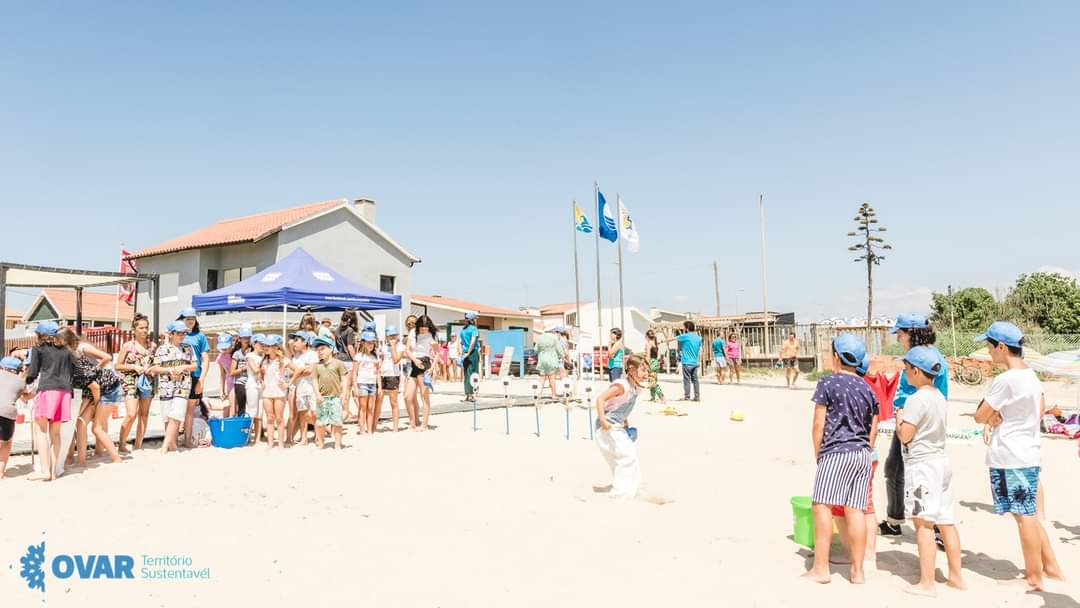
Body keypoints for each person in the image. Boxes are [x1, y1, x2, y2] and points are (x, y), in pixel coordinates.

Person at [973, 322, 1064, 591]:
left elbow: (980, 415)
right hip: (1028, 451)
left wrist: (994, 416)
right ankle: (1051, 567)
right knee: (1029, 515)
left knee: (1023, 516)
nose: (988, 351)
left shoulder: (1006, 379)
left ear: (1001, 347)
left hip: (1011, 454)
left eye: (989, 346)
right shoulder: (1031, 375)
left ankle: (1034, 576)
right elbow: (1040, 408)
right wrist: (1004, 415)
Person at [802, 334, 877, 585]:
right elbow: (872, 429)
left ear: (835, 357)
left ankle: (821, 568)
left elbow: (818, 424)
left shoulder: (828, 383)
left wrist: (818, 453)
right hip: (863, 453)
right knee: (855, 509)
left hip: (836, 451)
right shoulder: (868, 389)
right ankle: (858, 571)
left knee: (821, 504)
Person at [896, 346, 965, 596]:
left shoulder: (916, 399)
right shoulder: (938, 396)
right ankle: (956, 576)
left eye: (906, 370)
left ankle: (927, 582)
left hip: (922, 466)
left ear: (916, 371)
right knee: (946, 520)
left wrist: (898, 419)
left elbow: (905, 436)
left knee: (923, 523)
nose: (905, 374)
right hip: (941, 462)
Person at [880, 314, 949, 538]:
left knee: (917, 472)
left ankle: (934, 528)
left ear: (912, 333)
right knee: (895, 468)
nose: (899, 338)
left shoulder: (923, 359)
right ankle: (895, 518)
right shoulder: (928, 356)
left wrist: (902, 414)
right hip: (915, 418)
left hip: (913, 420)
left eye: (900, 334)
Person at [63, 329, 122, 466]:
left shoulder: (82, 348)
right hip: (92, 388)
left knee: (97, 428)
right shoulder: (71, 355)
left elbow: (107, 357)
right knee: (80, 422)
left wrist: (95, 369)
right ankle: (82, 460)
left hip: (107, 387)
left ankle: (116, 458)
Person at [25, 321, 76, 481]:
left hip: (48, 390)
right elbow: (76, 370)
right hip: (65, 392)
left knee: (41, 431)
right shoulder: (67, 352)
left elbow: (32, 373)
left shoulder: (38, 349)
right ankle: (54, 472)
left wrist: (26, 384)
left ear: (40, 335)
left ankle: (44, 471)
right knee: (55, 433)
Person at [594, 354, 648, 499]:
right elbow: (600, 399)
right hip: (607, 426)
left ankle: (628, 488)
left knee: (627, 457)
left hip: (618, 426)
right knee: (627, 456)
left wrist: (626, 426)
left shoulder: (635, 389)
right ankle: (621, 493)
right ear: (631, 371)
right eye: (642, 370)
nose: (646, 374)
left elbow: (622, 409)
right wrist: (603, 421)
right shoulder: (621, 385)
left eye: (646, 371)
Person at [149, 321, 197, 455]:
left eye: (184, 333)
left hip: (183, 386)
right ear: (171, 334)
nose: (182, 335)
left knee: (176, 415)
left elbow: (194, 366)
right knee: (167, 417)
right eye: (179, 333)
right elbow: (154, 368)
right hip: (166, 386)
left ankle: (164, 446)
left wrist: (184, 367)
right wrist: (170, 371)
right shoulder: (161, 349)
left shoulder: (188, 348)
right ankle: (173, 445)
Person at [116, 313, 156, 451]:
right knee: (131, 414)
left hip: (147, 382)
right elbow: (118, 366)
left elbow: (156, 364)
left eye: (146, 327)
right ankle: (122, 443)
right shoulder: (127, 346)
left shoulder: (152, 346)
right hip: (130, 381)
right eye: (141, 328)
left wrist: (152, 369)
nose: (145, 330)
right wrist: (133, 367)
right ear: (134, 329)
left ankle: (138, 445)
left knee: (144, 415)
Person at [179, 307, 210, 449]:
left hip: (195, 376)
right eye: (187, 318)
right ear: (182, 319)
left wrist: (202, 380)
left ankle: (187, 440)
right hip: (179, 376)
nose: (190, 321)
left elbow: (205, 360)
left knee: (190, 410)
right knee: (177, 409)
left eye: (192, 318)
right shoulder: (178, 334)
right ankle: (174, 438)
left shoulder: (200, 336)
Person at [312, 336, 347, 449]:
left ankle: (337, 443)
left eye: (322, 349)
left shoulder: (338, 363)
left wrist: (344, 394)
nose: (319, 352)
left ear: (330, 349)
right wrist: (317, 394)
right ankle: (321, 443)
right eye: (318, 350)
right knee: (320, 422)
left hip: (335, 397)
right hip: (322, 398)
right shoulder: (317, 366)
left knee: (337, 422)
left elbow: (344, 379)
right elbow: (314, 380)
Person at [406, 315, 438, 431]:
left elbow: (437, 353)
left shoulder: (432, 335)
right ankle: (413, 422)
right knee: (408, 396)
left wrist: (432, 368)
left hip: (425, 363)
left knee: (424, 396)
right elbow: (407, 350)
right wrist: (414, 360)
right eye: (422, 327)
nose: (424, 329)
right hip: (414, 363)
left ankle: (424, 425)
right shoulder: (413, 332)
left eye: (426, 327)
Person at [287, 332, 319, 445]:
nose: (294, 343)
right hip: (299, 387)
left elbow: (311, 370)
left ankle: (318, 435)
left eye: (297, 340)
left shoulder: (312, 354)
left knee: (315, 412)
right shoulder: (295, 356)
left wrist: (297, 372)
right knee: (302, 413)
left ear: (305, 342)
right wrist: (299, 371)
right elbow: (291, 373)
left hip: (311, 387)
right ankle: (304, 438)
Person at [0, 356, 29, 479]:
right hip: (7, 412)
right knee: (6, 442)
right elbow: (25, 397)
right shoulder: (20, 382)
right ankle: (0, 472)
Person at [260, 335, 288, 448]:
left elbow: (297, 370)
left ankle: (281, 443)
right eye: (265, 345)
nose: (266, 347)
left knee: (279, 418)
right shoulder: (264, 360)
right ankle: (270, 443)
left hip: (279, 392)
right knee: (270, 418)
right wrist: (261, 380)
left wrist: (288, 383)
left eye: (269, 345)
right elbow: (261, 373)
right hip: (267, 392)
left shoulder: (283, 360)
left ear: (276, 347)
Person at [351, 331, 380, 435]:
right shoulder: (358, 356)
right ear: (363, 343)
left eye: (372, 343)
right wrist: (355, 387)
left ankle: (370, 430)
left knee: (371, 408)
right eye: (368, 343)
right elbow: (354, 373)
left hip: (372, 384)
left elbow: (377, 372)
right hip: (362, 383)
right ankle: (362, 430)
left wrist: (379, 386)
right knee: (363, 407)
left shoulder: (374, 357)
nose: (371, 345)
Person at [378, 326, 407, 431]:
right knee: (379, 400)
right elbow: (381, 359)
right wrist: (378, 369)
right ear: (387, 336)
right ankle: (374, 425)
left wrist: (393, 346)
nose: (392, 338)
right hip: (383, 375)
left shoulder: (400, 346)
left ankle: (395, 428)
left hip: (393, 375)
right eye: (390, 336)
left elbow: (395, 360)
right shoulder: (384, 346)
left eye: (394, 335)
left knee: (393, 401)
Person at [245, 335, 267, 444]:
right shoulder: (249, 355)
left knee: (260, 413)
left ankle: (258, 438)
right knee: (251, 411)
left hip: (261, 386)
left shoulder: (264, 356)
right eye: (260, 343)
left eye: (264, 343)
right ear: (254, 344)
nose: (262, 345)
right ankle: (247, 436)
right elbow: (255, 370)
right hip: (253, 385)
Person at [535, 326, 565, 400]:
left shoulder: (540, 337)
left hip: (542, 359)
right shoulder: (554, 337)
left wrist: (541, 353)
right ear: (552, 331)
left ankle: (538, 394)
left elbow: (535, 349)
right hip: (552, 359)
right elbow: (559, 349)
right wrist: (562, 356)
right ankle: (553, 395)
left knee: (542, 378)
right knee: (552, 378)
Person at [230, 326, 252, 417]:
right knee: (242, 408)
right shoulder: (237, 353)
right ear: (240, 339)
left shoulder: (254, 351)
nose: (246, 340)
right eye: (244, 338)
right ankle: (242, 428)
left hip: (252, 382)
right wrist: (244, 368)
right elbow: (232, 372)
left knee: (253, 407)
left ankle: (258, 429)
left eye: (248, 337)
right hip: (240, 382)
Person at [460, 312, 480, 403]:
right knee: (474, 373)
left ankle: (467, 394)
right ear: (472, 320)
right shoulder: (474, 329)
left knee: (466, 374)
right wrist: (468, 352)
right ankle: (472, 395)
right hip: (472, 352)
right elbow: (472, 342)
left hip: (464, 353)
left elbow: (461, 342)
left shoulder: (463, 330)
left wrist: (463, 353)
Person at [216, 333, 235, 416]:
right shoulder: (220, 358)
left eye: (226, 346)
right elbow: (222, 375)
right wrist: (221, 390)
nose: (224, 348)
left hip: (239, 383)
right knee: (232, 406)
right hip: (230, 385)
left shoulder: (236, 354)